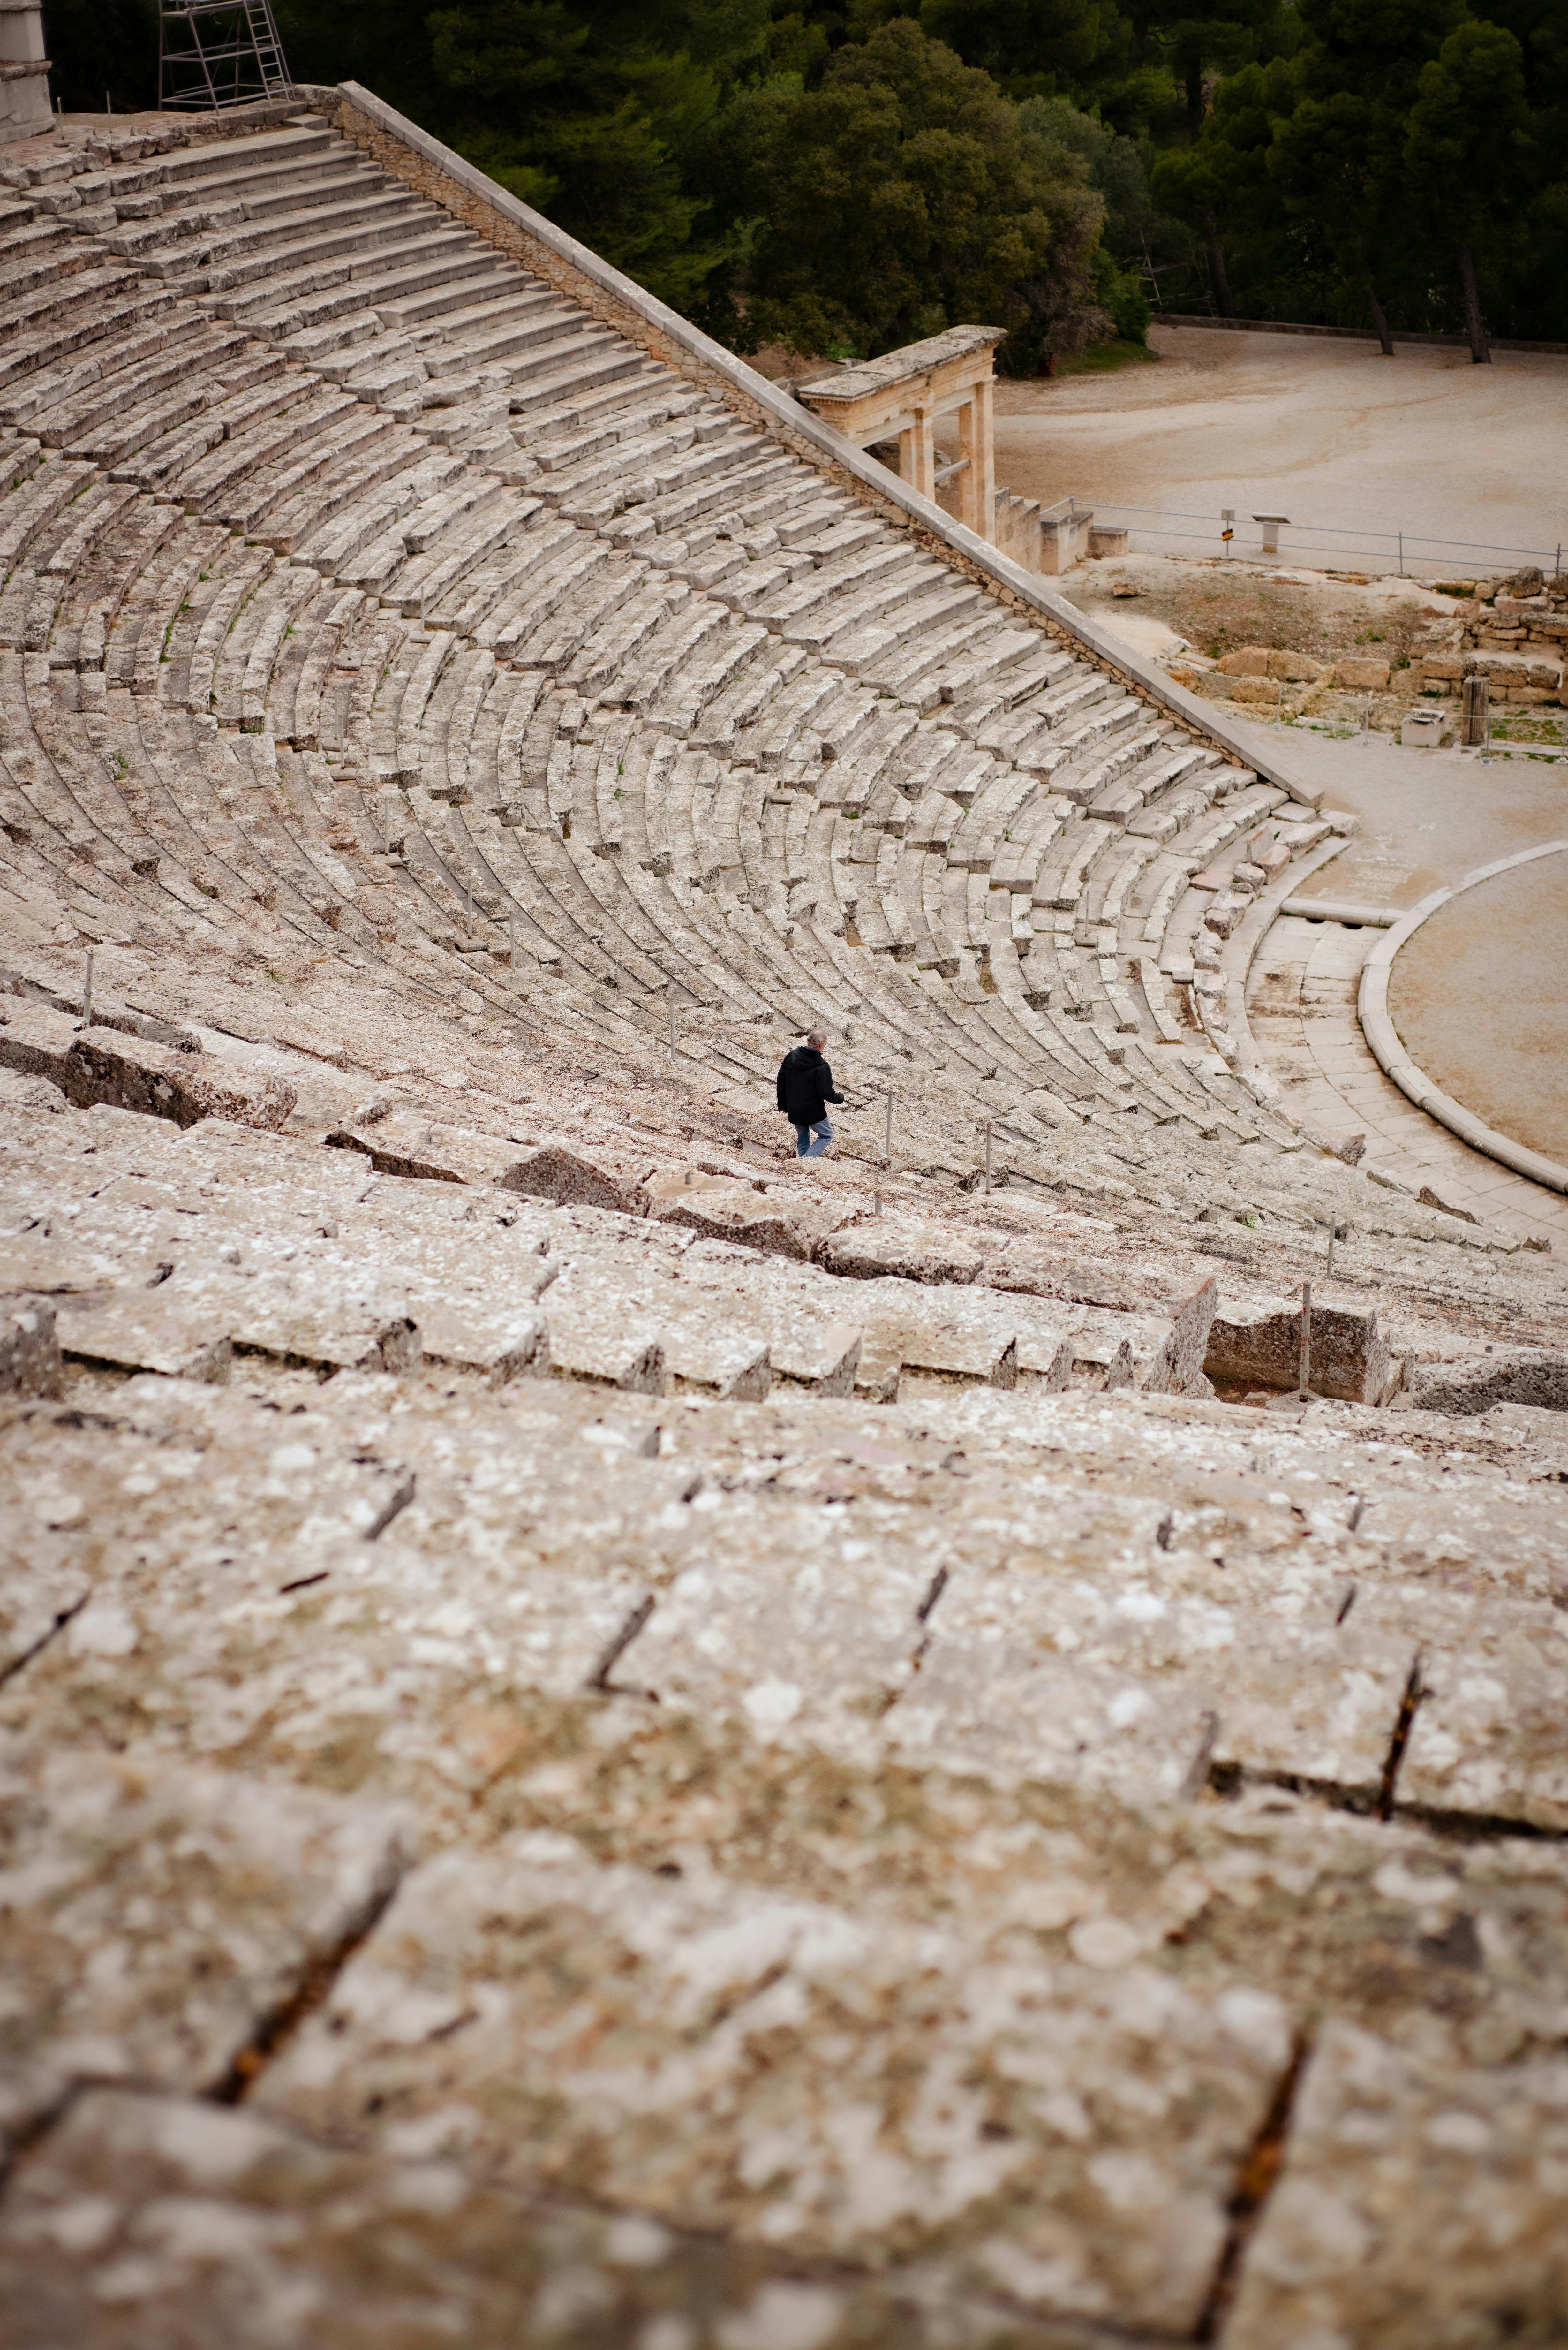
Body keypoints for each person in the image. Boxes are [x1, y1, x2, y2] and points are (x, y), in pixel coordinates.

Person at [776, 1030, 844, 1158]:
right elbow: (827, 1093)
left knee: (803, 1138)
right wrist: (839, 1098)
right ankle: (806, 1160)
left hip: (795, 1108)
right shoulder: (821, 1066)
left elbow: (781, 1080)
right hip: (813, 1112)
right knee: (827, 1135)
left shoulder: (792, 1056)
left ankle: (802, 1160)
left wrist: (783, 1104)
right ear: (822, 1045)